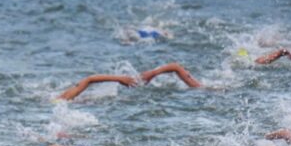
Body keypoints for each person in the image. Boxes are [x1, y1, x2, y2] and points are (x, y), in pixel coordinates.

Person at [57, 62, 202, 101]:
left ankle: (154, 72)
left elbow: (89, 79)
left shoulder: (61, 100)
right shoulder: (61, 100)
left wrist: (120, 79)